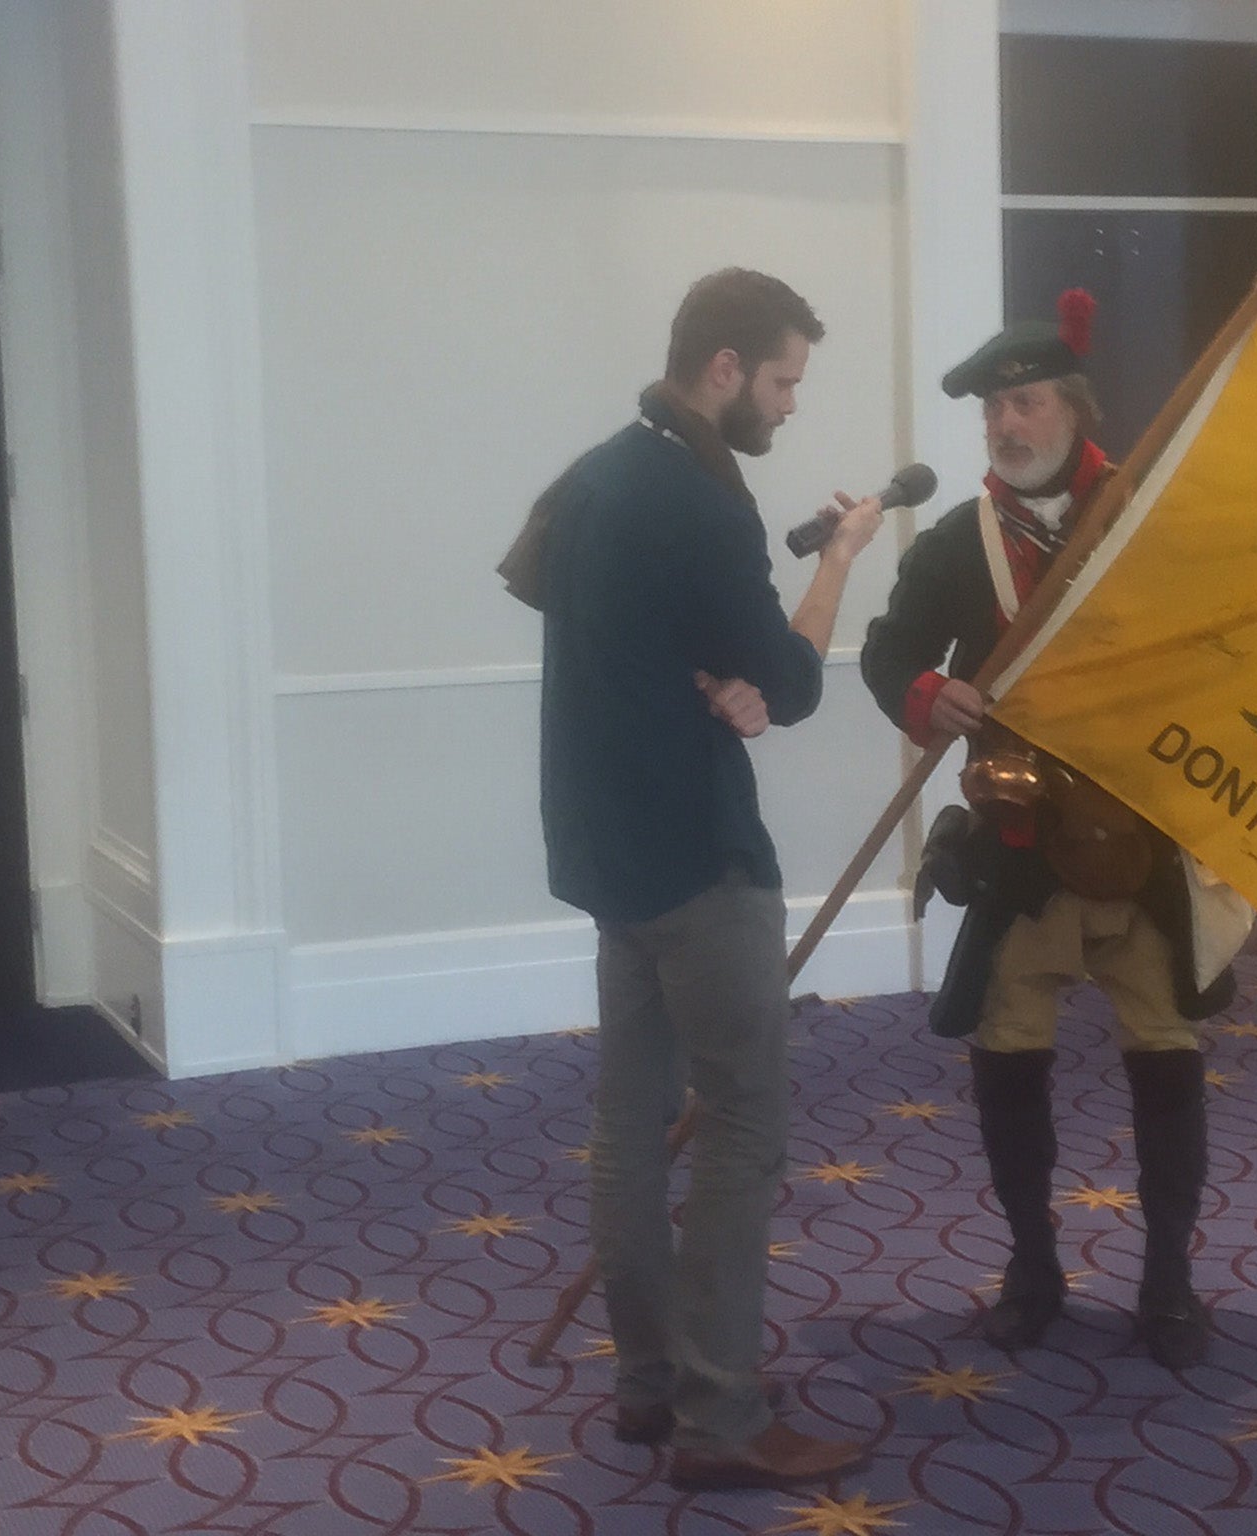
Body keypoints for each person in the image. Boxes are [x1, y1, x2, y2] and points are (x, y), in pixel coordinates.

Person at [502, 268, 883, 1489]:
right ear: (725, 370)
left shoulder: (599, 473)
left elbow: (642, 643)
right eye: (782, 381)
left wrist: (714, 682)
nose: (786, 405)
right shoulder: (699, 502)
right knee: (741, 1127)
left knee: (627, 1127)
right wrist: (842, 564)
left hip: (608, 849)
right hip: (697, 860)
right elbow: (798, 676)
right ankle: (720, 1421)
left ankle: (649, 1386)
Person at [860, 291, 1253, 1370]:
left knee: (1166, 1058)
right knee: (1007, 1056)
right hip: (1018, 851)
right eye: (991, 410)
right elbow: (887, 656)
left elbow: (1224, 655)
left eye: (1023, 402)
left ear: (1071, 408)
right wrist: (927, 693)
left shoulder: (1149, 517)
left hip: (1144, 846)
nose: (1003, 425)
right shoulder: (955, 542)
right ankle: (1031, 1264)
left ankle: (1167, 1276)